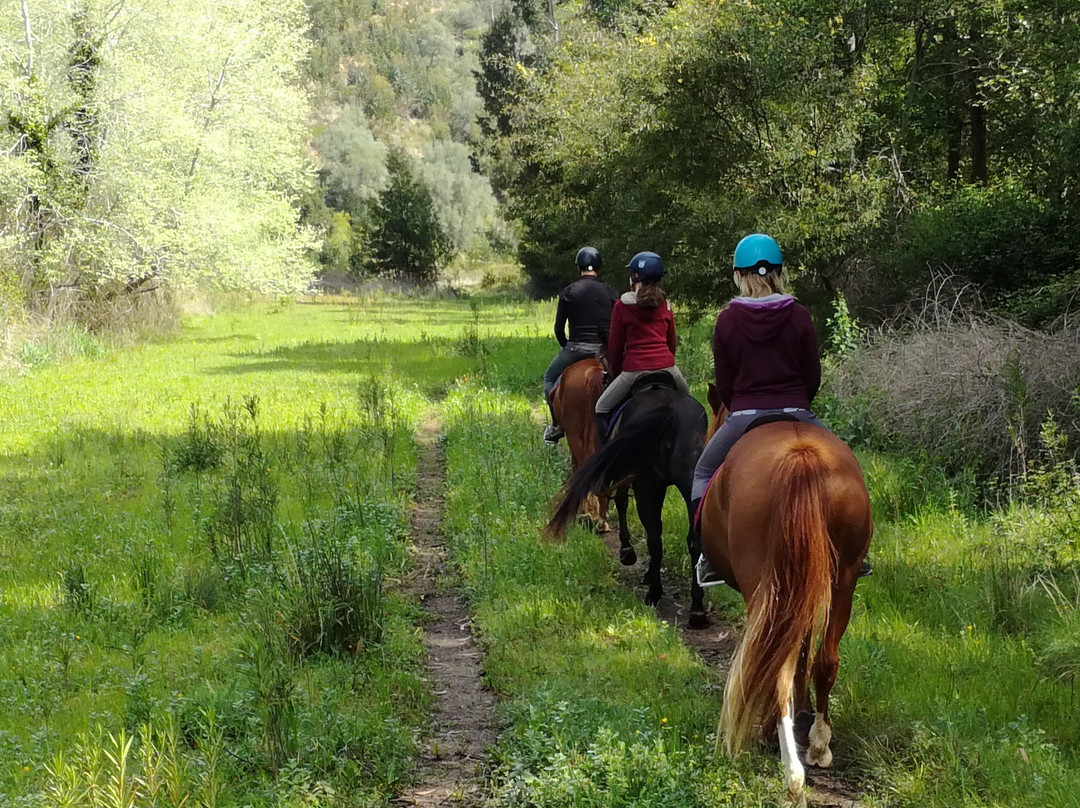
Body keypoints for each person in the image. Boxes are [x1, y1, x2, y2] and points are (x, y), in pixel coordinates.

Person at [691, 233, 871, 586]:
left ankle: (706, 556)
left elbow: (724, 384)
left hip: (743, 415)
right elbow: (812, 375)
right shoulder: (799, 315)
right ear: (777, 273)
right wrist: (799, 403)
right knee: (850, 471)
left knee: (701, 474)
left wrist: (742, 402)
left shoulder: (728, 320)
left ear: (739, 275)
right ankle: (857, 552)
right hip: (798, 410)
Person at [594, 251, 691, 436]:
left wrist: (616, 371)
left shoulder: (621, 306)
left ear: (633, 277)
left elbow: (614, 348)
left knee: (601, 408)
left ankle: (608, 452)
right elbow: (672, 343)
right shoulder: (666, 305)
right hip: (668, 368)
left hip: (634, 370)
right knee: (693, 407)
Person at [543, 246, 618, 444]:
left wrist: (566, 346)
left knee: (550, 379)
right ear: (599, 267)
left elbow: (559, 328)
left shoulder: (569, 291)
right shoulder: (610, 292)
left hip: (576, 348)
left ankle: (556, 426)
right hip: (603, 349)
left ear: (579, 267)